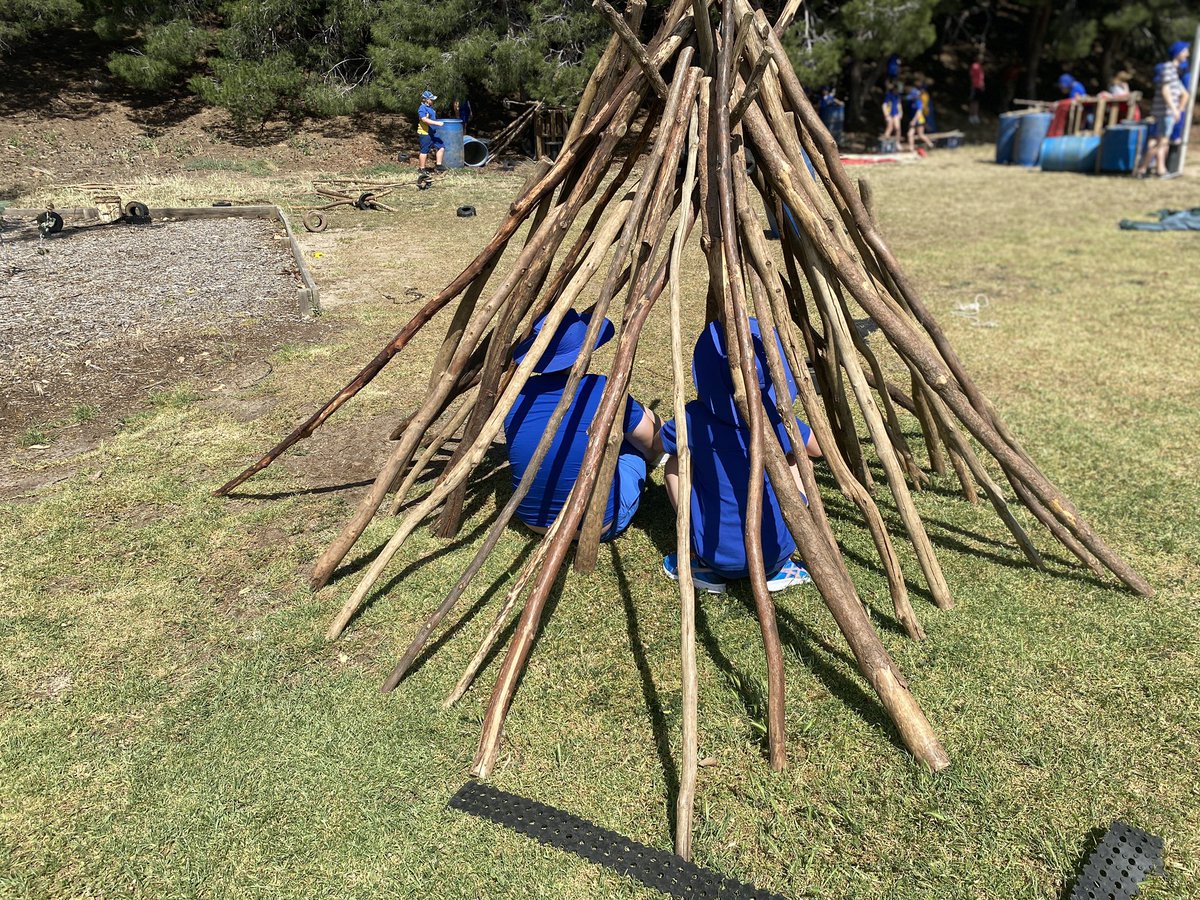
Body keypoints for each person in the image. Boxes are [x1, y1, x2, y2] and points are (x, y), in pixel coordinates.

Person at [660, 320, 821, 595]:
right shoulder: (780, 421)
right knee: (795, 457)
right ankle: (781, 570)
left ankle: (699, 560)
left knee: (676, 462)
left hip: (713, 552)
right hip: (777, 551)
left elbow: (661, 442)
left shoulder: (692, 420)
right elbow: (817, 450)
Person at [503, 309, 661, 539]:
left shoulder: (516, 395)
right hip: (596, 526)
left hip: (530, 521)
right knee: (633, 450)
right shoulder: (602, 390)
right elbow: (653, 444)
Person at [1136, 41, 1190, 179]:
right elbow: (1165, 90)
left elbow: (1183, 92)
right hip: (1165, 112)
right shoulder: (1168, 68)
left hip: (1168, 112)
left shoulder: (1173, 71)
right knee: (1161, 142)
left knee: (1161, 142)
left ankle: (1157, 169)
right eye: (1185, 51)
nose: (1187, 54)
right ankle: (1145, 169)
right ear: (1178, 53)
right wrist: (1174, 109)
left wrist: (1180, 107)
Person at [417, 89, 446, 173]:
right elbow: (424, 120)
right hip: (425, 133)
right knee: (424, 151)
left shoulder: (430, 108)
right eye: (431, 99)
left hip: (433, 133)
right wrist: (437, 123)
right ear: (426, 100)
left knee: (441, 146)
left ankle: (438, 166)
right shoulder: (422, 108)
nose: (433, 100)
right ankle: (421, 168)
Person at [906, 86, 934, 153]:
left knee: (920, 135)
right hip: (914, 120)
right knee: (910, 134)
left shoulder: (918, 102)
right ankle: (911, 148)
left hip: (919, 120)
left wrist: (914, 121)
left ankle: (930, 144)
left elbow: (919, 112)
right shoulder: (911, 102)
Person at [968, 53, 985, 124]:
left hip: (979, 87)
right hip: (975, 87)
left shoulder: (980, 66)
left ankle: (975, 115)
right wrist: (976, 84)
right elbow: (972, 76)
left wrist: (982, 85)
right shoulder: (974, 66)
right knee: (973, 101)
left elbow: (981, 78)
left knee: (977, 102)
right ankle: (971, 116)